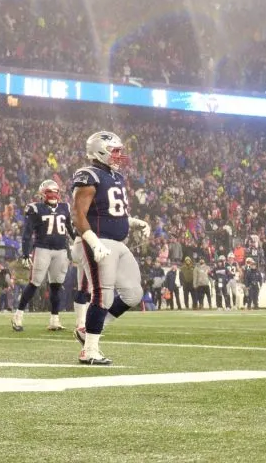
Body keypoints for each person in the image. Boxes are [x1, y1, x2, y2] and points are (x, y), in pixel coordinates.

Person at [70, 131, 150, 365]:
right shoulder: (88, 175)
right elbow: (77, 214)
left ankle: (89, 331)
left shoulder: (115, 176)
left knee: (134, 293)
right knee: (102, 295)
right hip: (98, 240)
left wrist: (133, 222)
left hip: (117, 242)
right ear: (100, 151)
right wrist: (93, 243)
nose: (118, 155)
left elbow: (113, 211)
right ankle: (90, 350)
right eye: (114, 151)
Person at [12, 180, 74, 332]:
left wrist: (81, 241)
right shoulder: (35, 208)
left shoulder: (65, 207)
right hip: (42, 249)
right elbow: (27, 234)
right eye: (49, 192)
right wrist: (26, 253)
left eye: (55, 192)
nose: (53, 195)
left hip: (61, 250)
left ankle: (54, 319)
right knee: (35, 283)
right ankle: (18, 315)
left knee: (56, 286)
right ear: (42, 194)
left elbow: (70, 230)